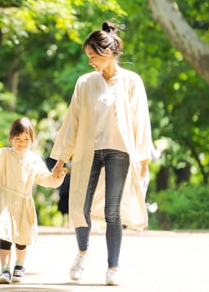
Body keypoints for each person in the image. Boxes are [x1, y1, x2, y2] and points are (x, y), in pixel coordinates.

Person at [50, 21, 154, 286]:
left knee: (112, 211)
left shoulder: (132, 82)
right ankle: (82, 254)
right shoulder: (85, 83)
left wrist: (143, 160)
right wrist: (61, 159)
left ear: (107, 53)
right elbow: (72, 121)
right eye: (88, 58)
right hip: (89, 151)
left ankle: (113, 267)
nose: (90, 62)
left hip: (119, 151)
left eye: (93, 57)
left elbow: (141, 121)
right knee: (79, 206)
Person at [0, 117, 67, 284]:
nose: (22, 142)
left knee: (22, 236)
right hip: (7, 201)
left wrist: (57, 176)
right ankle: (4, 269)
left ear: (32, 139)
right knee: (6, 235)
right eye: (18, 138)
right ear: (11, 138)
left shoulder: (34, 159)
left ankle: (19, 265)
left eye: (26, 139)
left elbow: (45, 179)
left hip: (25, 201)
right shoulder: (4, 154)